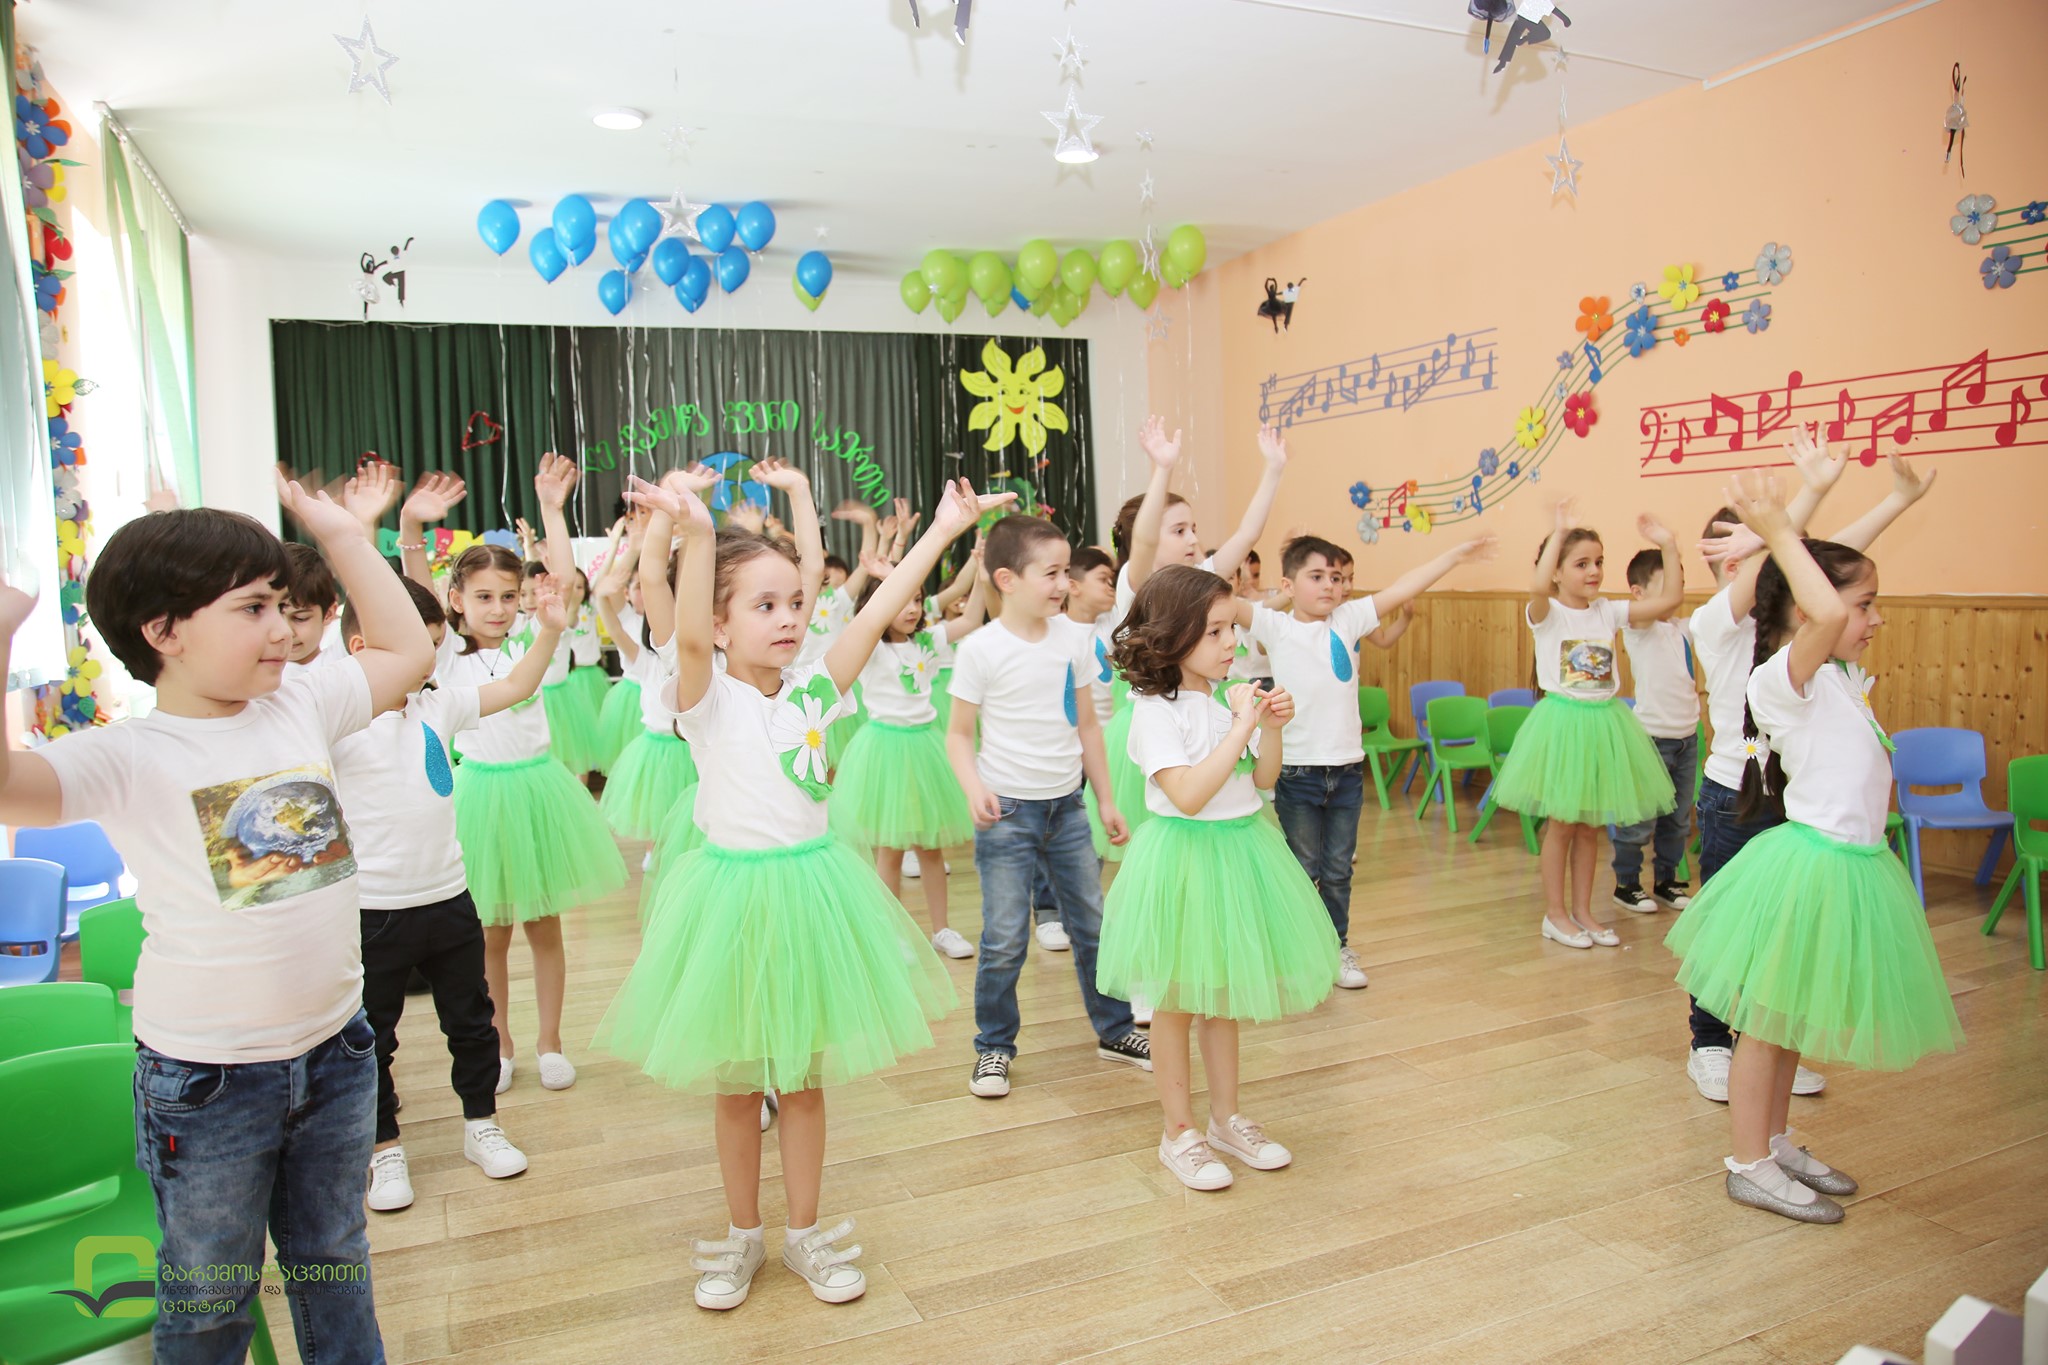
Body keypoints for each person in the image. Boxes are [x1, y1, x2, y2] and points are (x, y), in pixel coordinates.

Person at [0, 477, 436, 1363]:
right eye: (253, 608)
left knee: (334, 1260)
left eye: (281, 602)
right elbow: (10, 785)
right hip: (208, 1079)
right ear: (165, 631)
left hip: (336, 1051)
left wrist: (347, 537)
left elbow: (409, 648)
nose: (282, 627)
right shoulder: (130, 753)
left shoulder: (302, 700)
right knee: (210, 1293)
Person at [599, 472, 1004, 1312]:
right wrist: (693, 534)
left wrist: (943, 530)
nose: (788, 617)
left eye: (794, 603)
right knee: (738, 1083)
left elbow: (875, 609)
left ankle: (805, 1230)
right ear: (720, 624)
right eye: (765, 606)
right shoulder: (703, 697)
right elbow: (681, 629)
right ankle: (744, 1232)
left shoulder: (818, 686)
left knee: (807, 1079)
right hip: (730, 904)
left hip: (812, 897)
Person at [1666, 470, 1962, 1223]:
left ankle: (1774, 1141)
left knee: (1792, 1019)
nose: (1874, 618)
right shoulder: (1781, 678)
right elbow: (1825, 605)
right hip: (1809, 866)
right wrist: (1778, 530)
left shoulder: (1836, 677)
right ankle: (1748, 1163)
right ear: (1807, 611)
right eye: (1866, 605)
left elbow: (1829, 593)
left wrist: (1873, 510)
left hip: (1849, 865)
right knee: (1766, 1023)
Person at [1682, 428, 1936, 1102]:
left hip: (1797, 805)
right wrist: (1797, 505)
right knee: (1727, 935)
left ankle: (1767, 1044)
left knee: (1784, 938)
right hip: (1734, 795)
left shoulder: (1803, 629)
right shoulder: (1716, 624)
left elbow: (1832, 572)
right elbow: (1791, 569)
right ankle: (1710, 1041)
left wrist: (1894, 500)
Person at [1100, 566, 1340, 1189]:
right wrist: (1241, 727)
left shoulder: (1222, 698)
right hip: (1184, 862)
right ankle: (1178, 1131)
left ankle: (1226, 1118)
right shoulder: (1155, 712)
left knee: (1223, 997)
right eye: (1214, 631)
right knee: (1177, 1003)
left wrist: (1271, 730)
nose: (1232, 641)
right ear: (1173, 636)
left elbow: (1262, 781)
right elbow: (1186, 794)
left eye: (1232, 627)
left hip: (1241, 852)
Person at [334, 576, 542, 1213]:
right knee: (374, 1038)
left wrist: (554, 629)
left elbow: (515, 686)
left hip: (449, 896)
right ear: (363, 648)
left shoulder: (437, 705)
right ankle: (383, 1148)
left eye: (432, 651)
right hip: (373, 909)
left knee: (472, 1022)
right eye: (417, 653)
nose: (429, 666)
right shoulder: (336, 722)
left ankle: (482, 1124)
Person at [439, 455, 627, 1095]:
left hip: (538, 793)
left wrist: (552, 508)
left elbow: (566, 583)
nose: (496, 608)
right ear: (457, 600)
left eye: (506, 596)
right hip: (481, 797)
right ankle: (501, 1044)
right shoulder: (447, 656)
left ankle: (550, 1041)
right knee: (490, 934)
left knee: (545, 927)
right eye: (482, 597)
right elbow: (410, 596)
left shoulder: (535, 638)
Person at [948, 514, 1152, 1099]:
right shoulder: (981, 649)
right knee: (1005, 937)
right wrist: (974, 786)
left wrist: (1105, 799)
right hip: (1007, 813)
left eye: (1067, 572)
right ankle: (993, 1047)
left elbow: (1087, 724)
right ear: (1007, 579)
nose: (1064, 584)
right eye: (1053, 573)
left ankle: (1115, 1029)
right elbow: (958, 734)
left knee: (1093, 925)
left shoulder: (1073, 641)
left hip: (1068, 808)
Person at [1248, 531, 1492, 986]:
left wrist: (1456, 554)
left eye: (1335, 577)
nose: (1329, 585)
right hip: (1297, 771)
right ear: (1288, 585)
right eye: (1316, 576)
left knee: (1338, 870)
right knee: (1303, 868)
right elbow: (1223, 600)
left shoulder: (1349, 618)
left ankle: (1336, 947)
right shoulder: (1275, 626)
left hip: (1347, 771)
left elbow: (1404, 587)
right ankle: (1298, 946)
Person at [1493, 500, 1680, 949]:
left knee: (1590, 826)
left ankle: (1583, 911)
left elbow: (1670, 600)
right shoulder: (1546, 614)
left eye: (1598, 562)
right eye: (1581, 564)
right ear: (1557, 572)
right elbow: (1536, 585)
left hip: (1604, 724)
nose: (1594, 571)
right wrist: (1558, 533)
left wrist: (1670, 545)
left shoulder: (1608, 612)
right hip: (1564, 726)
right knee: (1562, 824)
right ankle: (1555, 915)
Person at [832, 563, 987, 958]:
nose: (913, 608)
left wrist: (983, 575)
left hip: (924, 748)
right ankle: (892, 932)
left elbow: (971, 619)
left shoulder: (928, 641)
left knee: (931, 848)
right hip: (885, 750)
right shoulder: (871, 647)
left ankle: (942, 929)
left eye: (917, 600)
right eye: (903, 601)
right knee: (891, 850)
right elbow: (860, 623)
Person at [1611, 548, 1699, 914]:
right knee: (1638, 819)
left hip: (1687, 739)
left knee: (1677, 820)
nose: (1677, 593)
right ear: (1638, 593)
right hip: (1651, 740)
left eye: (1681, 583)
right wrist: (1668, 544)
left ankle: (1667, 880)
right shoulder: (1639, 628)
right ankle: (1626, 883)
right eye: (1667, 585)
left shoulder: (1683, 629)